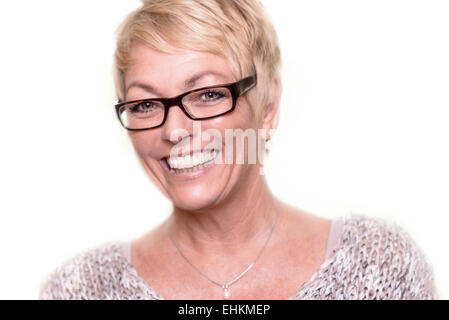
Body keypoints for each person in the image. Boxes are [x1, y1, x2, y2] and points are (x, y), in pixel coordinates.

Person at [39, 0, 437, 300]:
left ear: (267, 107)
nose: (174, 130)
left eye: (208, 94)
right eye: (145, 104)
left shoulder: (380, 267)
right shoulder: (80, 289)